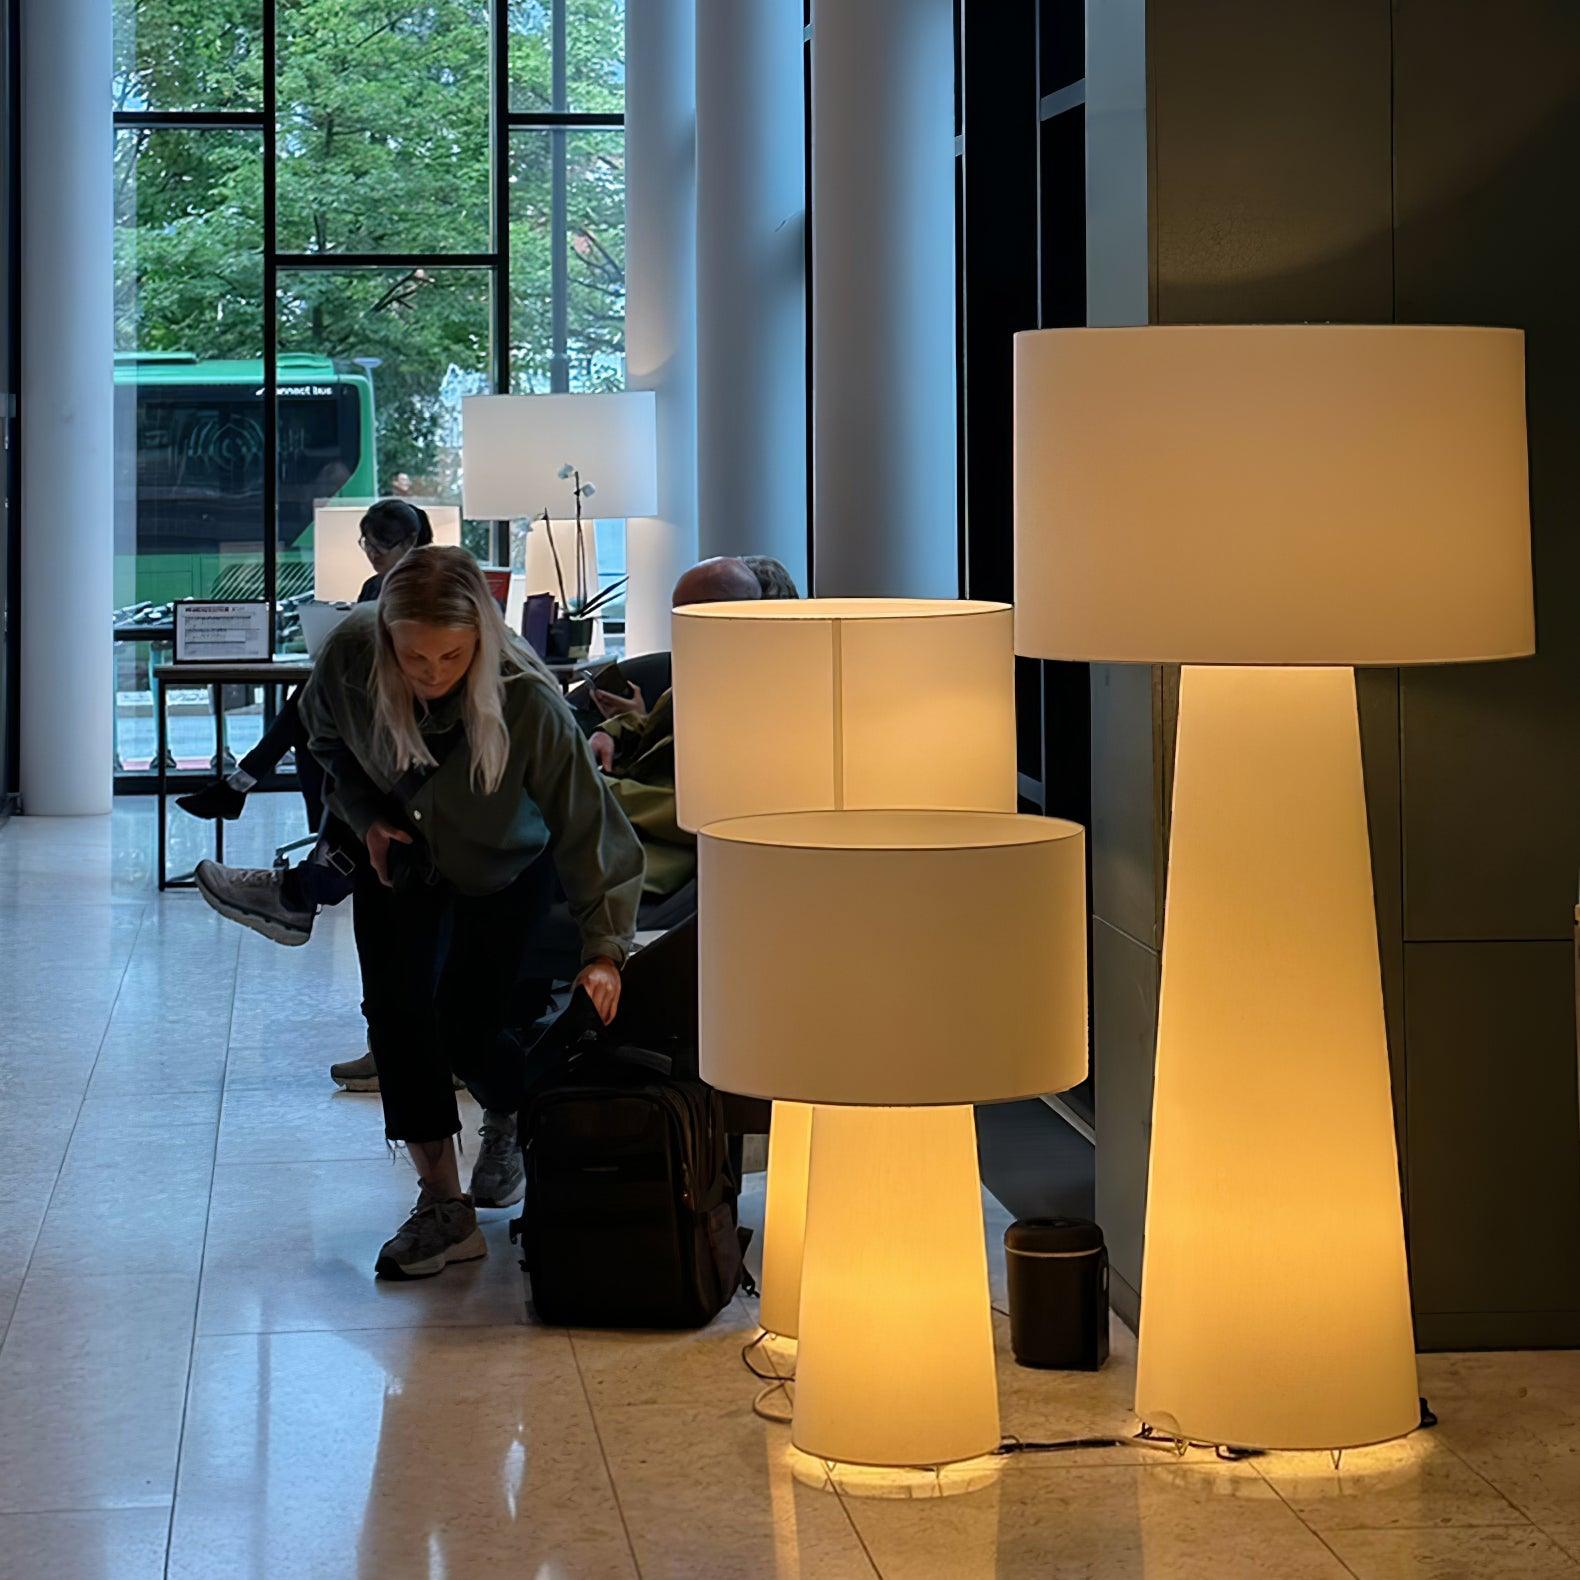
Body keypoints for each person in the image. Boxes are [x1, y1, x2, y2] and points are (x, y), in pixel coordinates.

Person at [294, 545, 643, 1278]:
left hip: (503, 863)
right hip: (401, 857)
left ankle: (510, 1112)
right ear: (385, 635)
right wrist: (366, 817)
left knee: (467, 1027)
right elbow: (322, 738)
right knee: (396, 1017)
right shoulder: (350, 658)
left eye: (452, 656)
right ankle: (443, 1207)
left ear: (481, 638)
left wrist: (603, 951)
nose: (431, 673)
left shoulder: (526, 698)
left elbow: (589, 825)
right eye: (413, 656)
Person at [178, 499, 434, 828]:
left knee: (307, 705)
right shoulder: (373, 586)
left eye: (382, 545)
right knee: (309, 716)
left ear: (410, 542)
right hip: (363, 688)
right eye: (367, 543)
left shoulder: (427, 584)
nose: (372, 553)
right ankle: (301, 823)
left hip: (401, 693)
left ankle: (242, 786)